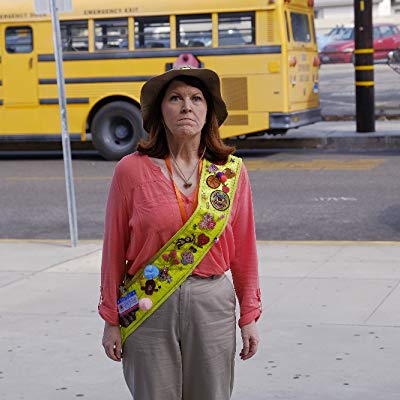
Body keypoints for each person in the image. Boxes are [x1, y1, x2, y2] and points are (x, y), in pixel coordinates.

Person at [99, 66, 262, 400]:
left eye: (196, 98)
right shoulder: (130, 170)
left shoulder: (230, 174)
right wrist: (111, 319)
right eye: (175, 98)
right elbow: (114, 249)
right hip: (147, 301)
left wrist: (249, 314)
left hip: (211, 302)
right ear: (161, 110)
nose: (186, 106)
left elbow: (245, 249)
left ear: (208, 112)